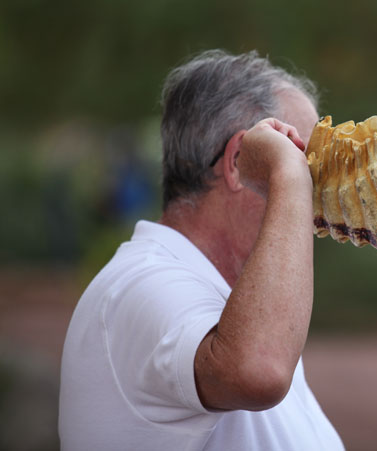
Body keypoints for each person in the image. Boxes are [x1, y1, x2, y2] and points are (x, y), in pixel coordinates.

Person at [59, 50, 345, 450]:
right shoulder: (140, 283)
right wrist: (289, 174)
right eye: (308, 165)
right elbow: (258, 372)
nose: (317, 191)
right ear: (239, 162)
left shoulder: (248, 307)